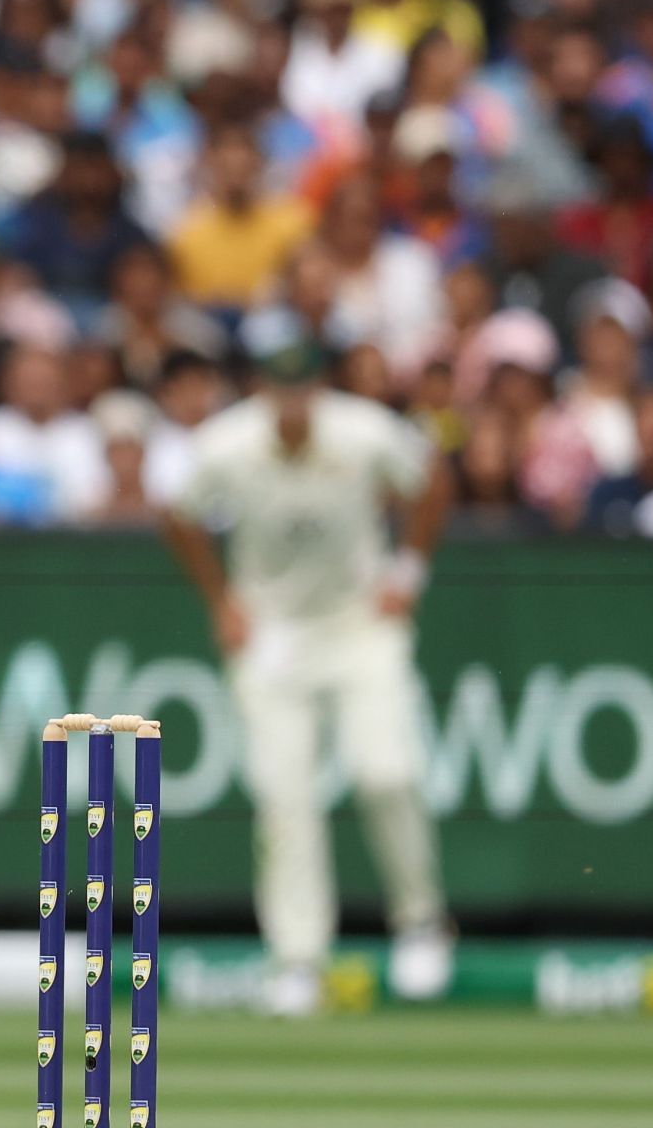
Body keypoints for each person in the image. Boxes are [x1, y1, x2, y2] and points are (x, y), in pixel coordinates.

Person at [161, 312, 456, 1016]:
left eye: (303, 386)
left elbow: (432, 484)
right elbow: (177, 513)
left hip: (359, 627)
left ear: (317, 385)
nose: (293, 402)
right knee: (284, 796)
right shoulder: (226, 444)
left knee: (387, 772)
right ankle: (298, 957)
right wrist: (223, 601)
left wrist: (407, 573)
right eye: (280, 387)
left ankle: (420, 921)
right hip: (274, 637)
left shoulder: (364, 431)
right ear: (264, 387)